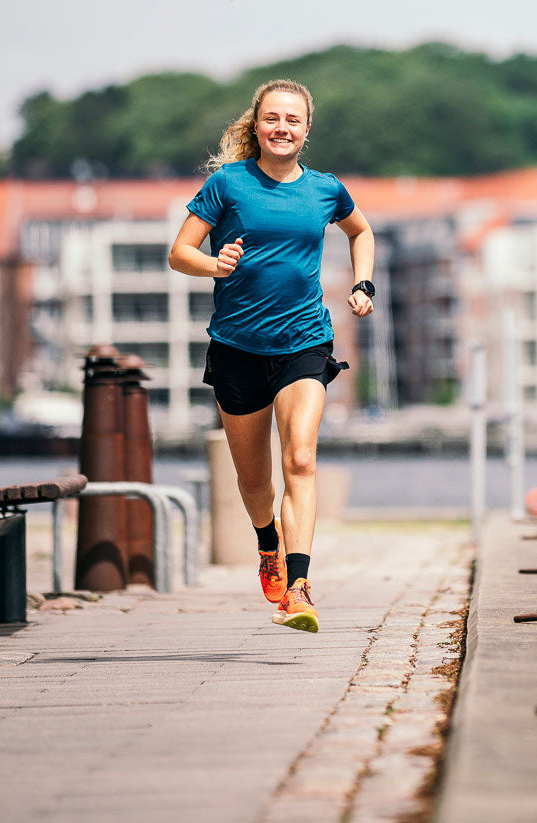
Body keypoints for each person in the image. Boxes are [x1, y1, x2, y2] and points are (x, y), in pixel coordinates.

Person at [169, 79, 375, 633]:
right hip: (236, 347)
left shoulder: (326, 190)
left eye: (293, 120)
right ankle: (268, 543)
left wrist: (363, 284)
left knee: (301, 459)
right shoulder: (228, 184)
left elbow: (362, 233)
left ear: (307, 130)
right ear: (256, 125)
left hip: (305, 341)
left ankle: (301, 586)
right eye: (273, 119)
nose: (282, 129)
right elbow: (180, 252)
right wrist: (216, 265)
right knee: (254, 480)